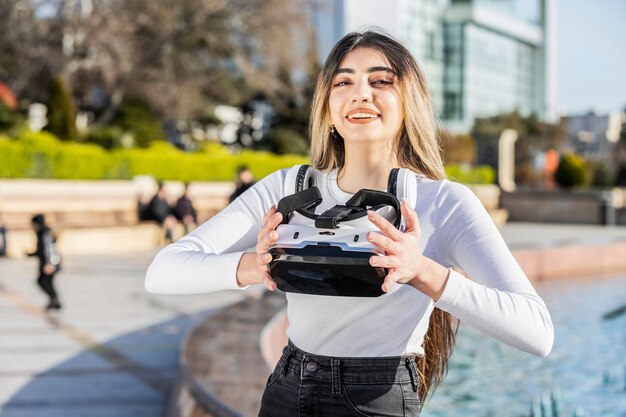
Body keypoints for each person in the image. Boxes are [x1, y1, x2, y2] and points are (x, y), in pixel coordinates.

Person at [145, 30, 554, 416]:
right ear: (327, 107)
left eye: (381, 81)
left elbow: (537, 332)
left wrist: (422, 272)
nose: (361, 93)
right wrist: (253, 266)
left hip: (378, 397)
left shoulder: (442, 202)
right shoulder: (287, 188)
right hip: (286, 389)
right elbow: (163, 272)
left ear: (410, 101)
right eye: (343, 83)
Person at [28, 214, 62, 310]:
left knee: (42, 281)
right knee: (47, 282)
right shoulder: (42, 233)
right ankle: (54, 301)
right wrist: (31, 254)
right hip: (49, 262)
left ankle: (54, 299)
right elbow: (41, 250)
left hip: (50, 263)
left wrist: (50, 263)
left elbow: (49, 249)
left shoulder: (45, 233)